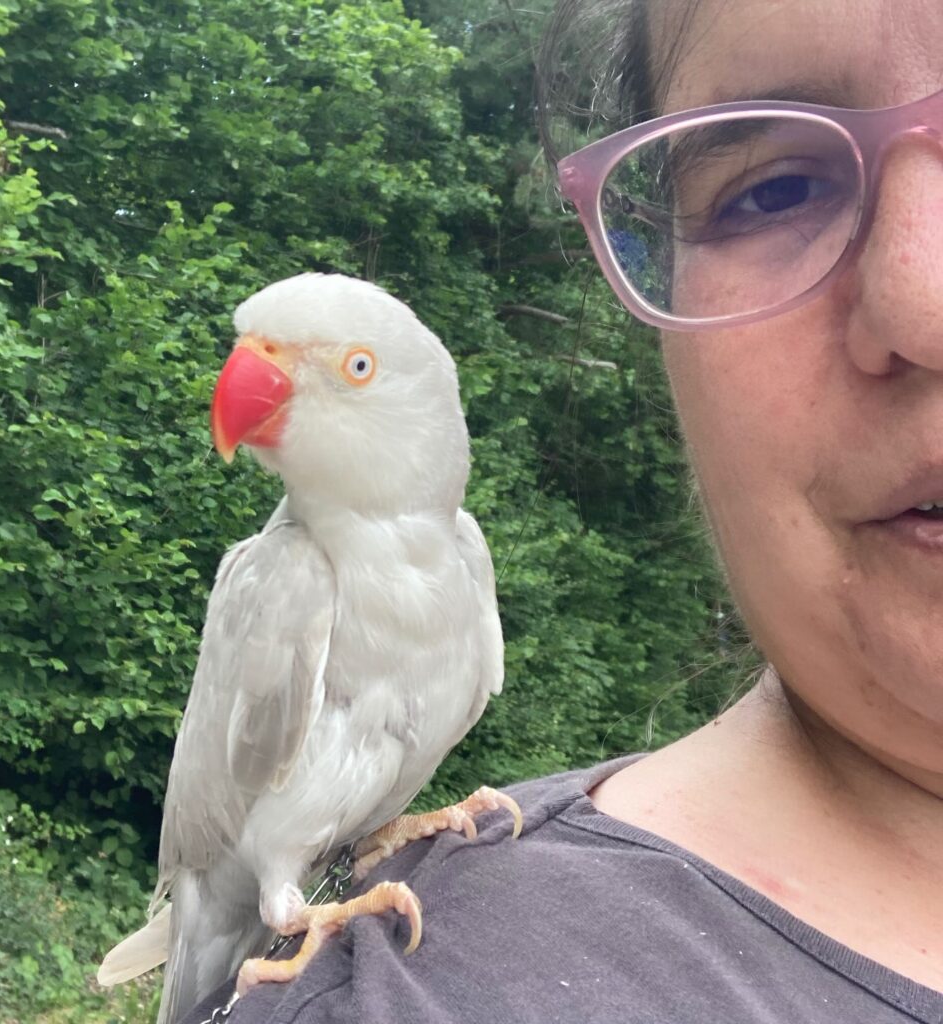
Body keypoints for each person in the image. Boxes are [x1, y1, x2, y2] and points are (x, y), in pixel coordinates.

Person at [181, 0, 943, 1020]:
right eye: (777, 191)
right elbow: (215, 837)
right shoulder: (419, 993)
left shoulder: (460, 566)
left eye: (352, 370)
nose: (921, 304)